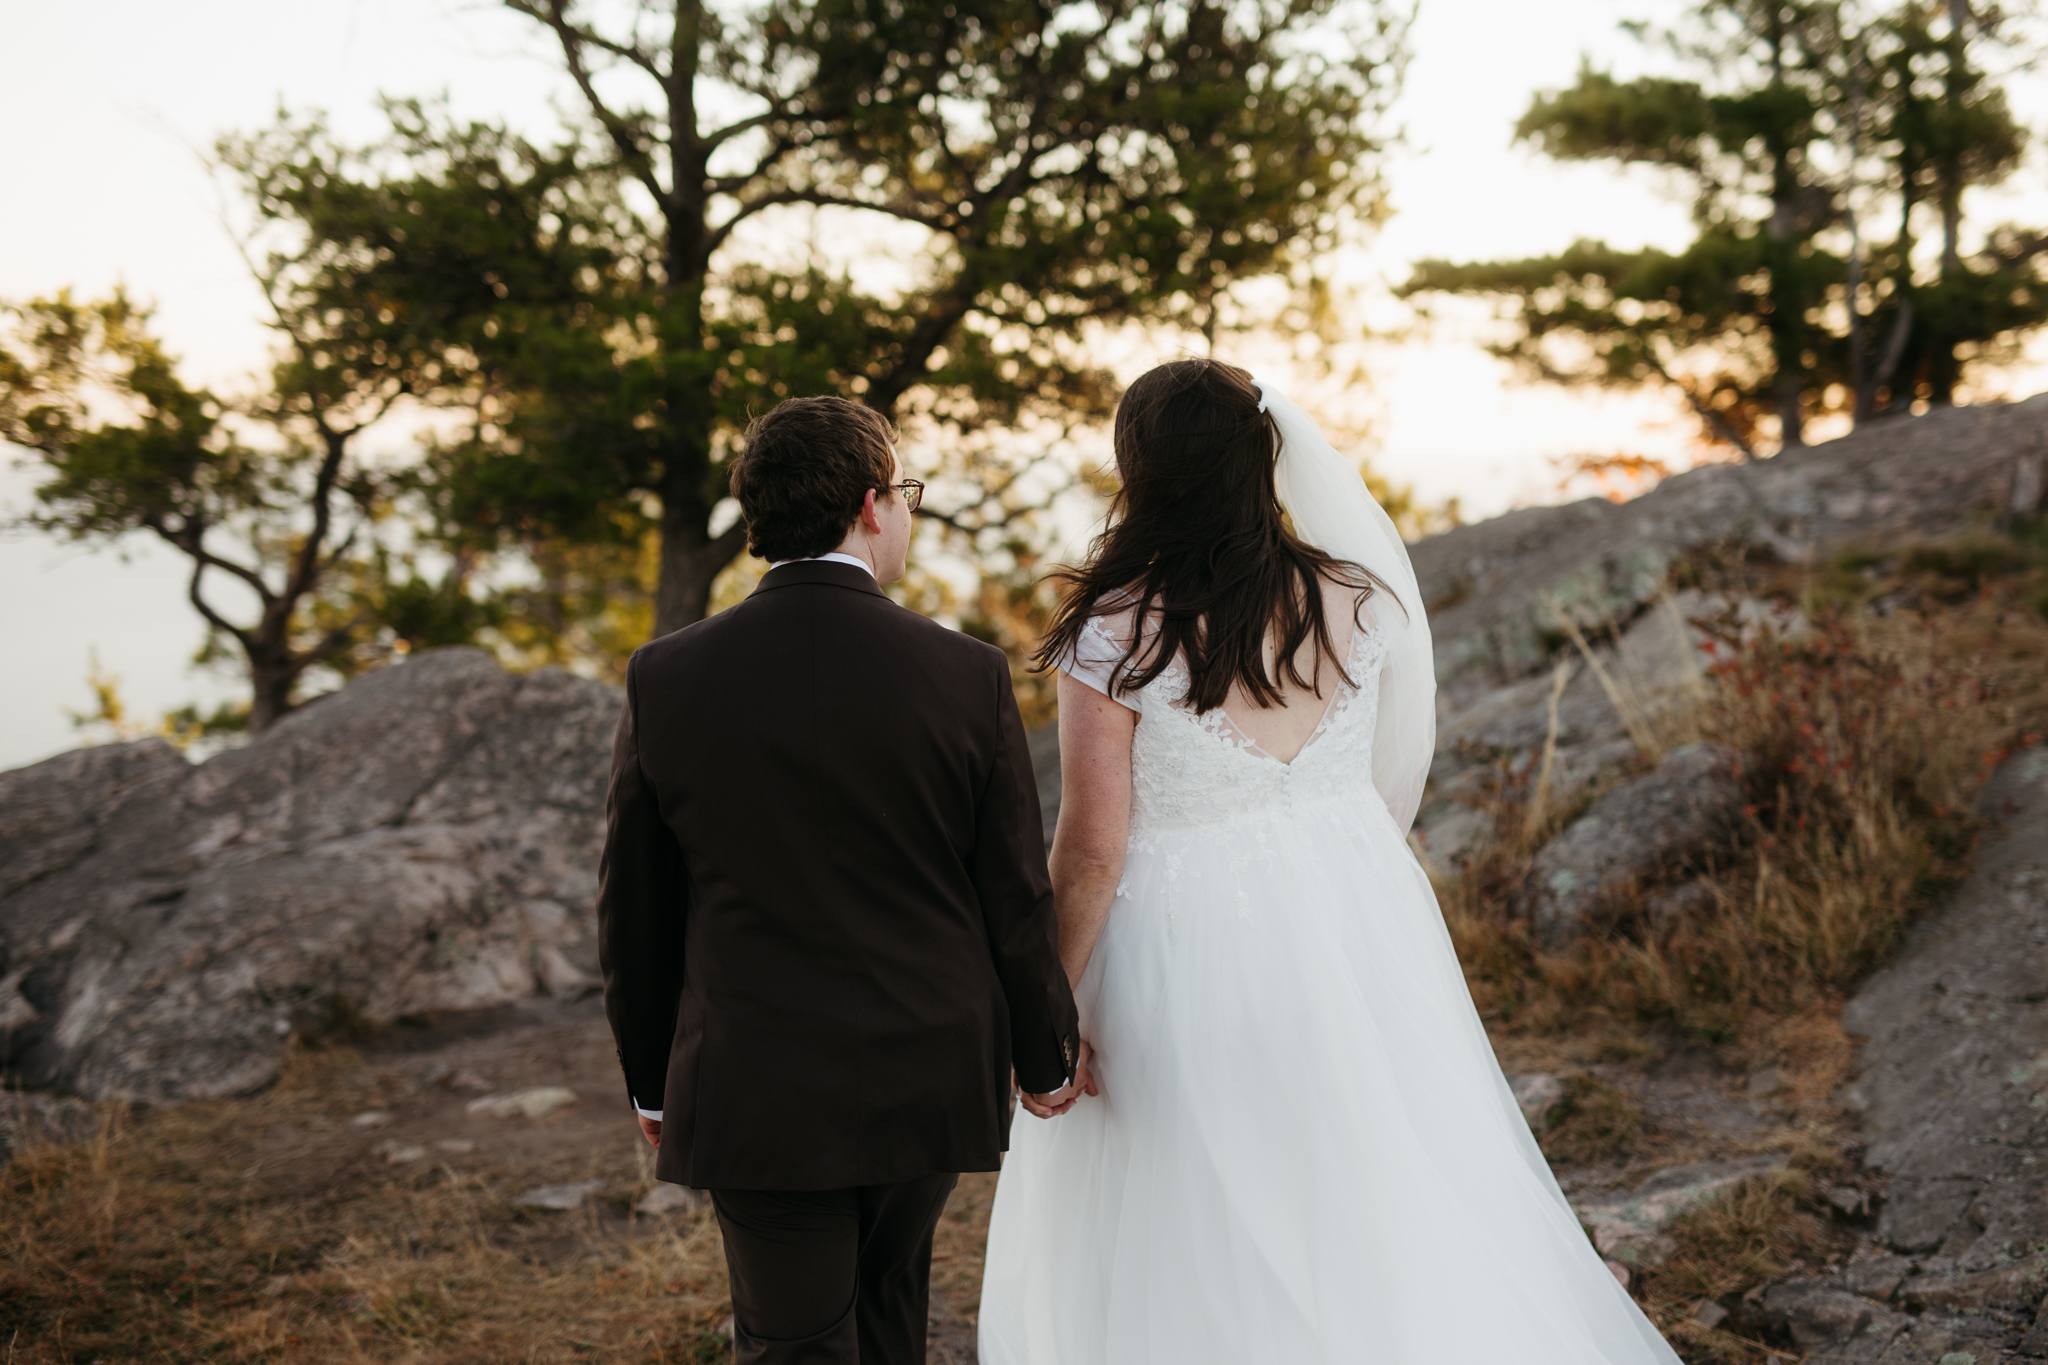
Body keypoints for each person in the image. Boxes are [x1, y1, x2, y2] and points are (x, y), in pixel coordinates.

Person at [976, 360, 1683, 1364]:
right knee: (1368, 1174)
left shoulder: (1117, 625)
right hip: (1354, 907)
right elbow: (1385, 779)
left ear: (1141, 471)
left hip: (1181, 941)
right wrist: (1335, 874)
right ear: (1262, 456)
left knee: (1191, 1197)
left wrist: (1044, 1006)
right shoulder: (1355, 596)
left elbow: (1091, 848)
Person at [596, 395, 1084, 1365]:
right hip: (927, 1070)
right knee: (889, 1305)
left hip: (753, 1077)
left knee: (795, 1339)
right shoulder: (964, 676)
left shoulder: (667, 676)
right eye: (903, 494)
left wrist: (651, 1082)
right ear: (869, 506)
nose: (905, 513)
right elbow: (1011, 894)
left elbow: (634, 911)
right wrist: (1046, 1054)